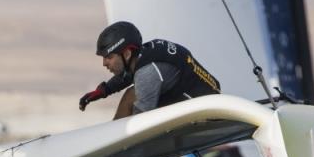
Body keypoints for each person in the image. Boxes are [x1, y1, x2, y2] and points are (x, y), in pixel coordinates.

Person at [79, 21, 221, 119]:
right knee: (132, 94)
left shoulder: (147, 74)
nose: (104, 63)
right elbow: (128, 74)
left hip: (207, 113)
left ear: (127, 54)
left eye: (109, 57)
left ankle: (110, 150)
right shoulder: (143, 55)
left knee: (132, 98)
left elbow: (139, 123)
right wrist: (105, 90)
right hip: (201, 96)